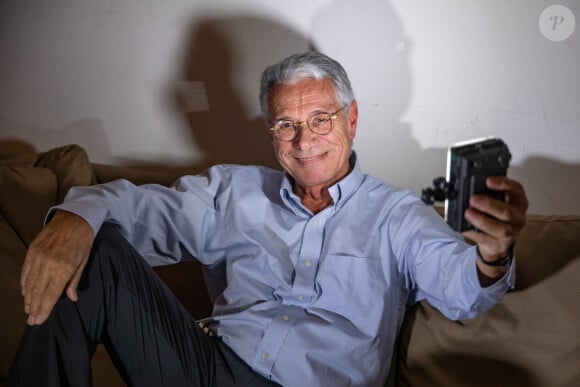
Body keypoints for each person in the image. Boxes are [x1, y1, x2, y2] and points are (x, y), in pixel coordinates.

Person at [8, 51, 528, 387]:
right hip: (205, 371)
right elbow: (142, 211)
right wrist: (76, 216)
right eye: (286, 124)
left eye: (320, 120)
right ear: (270, 131)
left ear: (351, 119)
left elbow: (465, 289)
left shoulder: (397, 216)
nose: (304, 141)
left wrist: (492, 251)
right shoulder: (233, 190)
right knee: (94, 245)